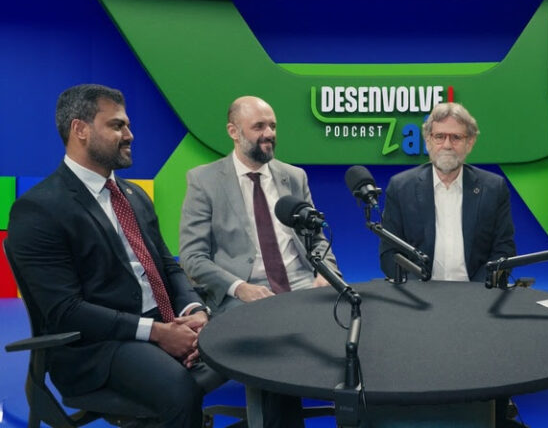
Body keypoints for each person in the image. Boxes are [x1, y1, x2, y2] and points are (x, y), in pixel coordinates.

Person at [6, 84, 224, 428]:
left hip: (163, 322)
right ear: (80, 129)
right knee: (180, 388)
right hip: (96, 347)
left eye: (128, 125)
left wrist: (193, 312)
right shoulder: (38, 209)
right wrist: (157, 332)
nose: (130, 135)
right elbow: (66, 310)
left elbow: (167, 266)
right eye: (117, 125)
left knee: (247, 350)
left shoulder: (133, 195)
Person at [179, 95, 338, 428]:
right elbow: (193, 258)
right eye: (259, 126)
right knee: (274, 338)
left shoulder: (293, 177)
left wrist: (326, 274)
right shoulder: (204, 181)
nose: (269, 134)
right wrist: (240, 287)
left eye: (273, 126)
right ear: (233, 131)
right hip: (246, 294)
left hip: (302, 285)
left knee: (357, 324)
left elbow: (317, 239)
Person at [379, 102, 516, 283]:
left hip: (478, 293)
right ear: (428, 141)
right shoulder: (401, 187)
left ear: (470, 142)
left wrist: (478, 292)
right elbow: (390, 254)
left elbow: (504, 250)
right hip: (418, 293)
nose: (447, 145)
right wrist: (417, 291)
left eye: (456, 137)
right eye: (439, 136)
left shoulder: (493, 188)